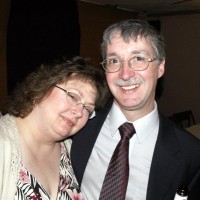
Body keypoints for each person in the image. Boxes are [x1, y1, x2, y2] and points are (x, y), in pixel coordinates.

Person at [71, 19, 200, 200]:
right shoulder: (77, 125)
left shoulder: (192, 155)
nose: (125, 74)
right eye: (114, 60)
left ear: (160, 67)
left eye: (138, 58)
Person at [0, 56, 109, 200]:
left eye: (88, 109)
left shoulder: (74, 152)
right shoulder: (3, 146)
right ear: (42, 88)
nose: (79, 112)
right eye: (73, 96)